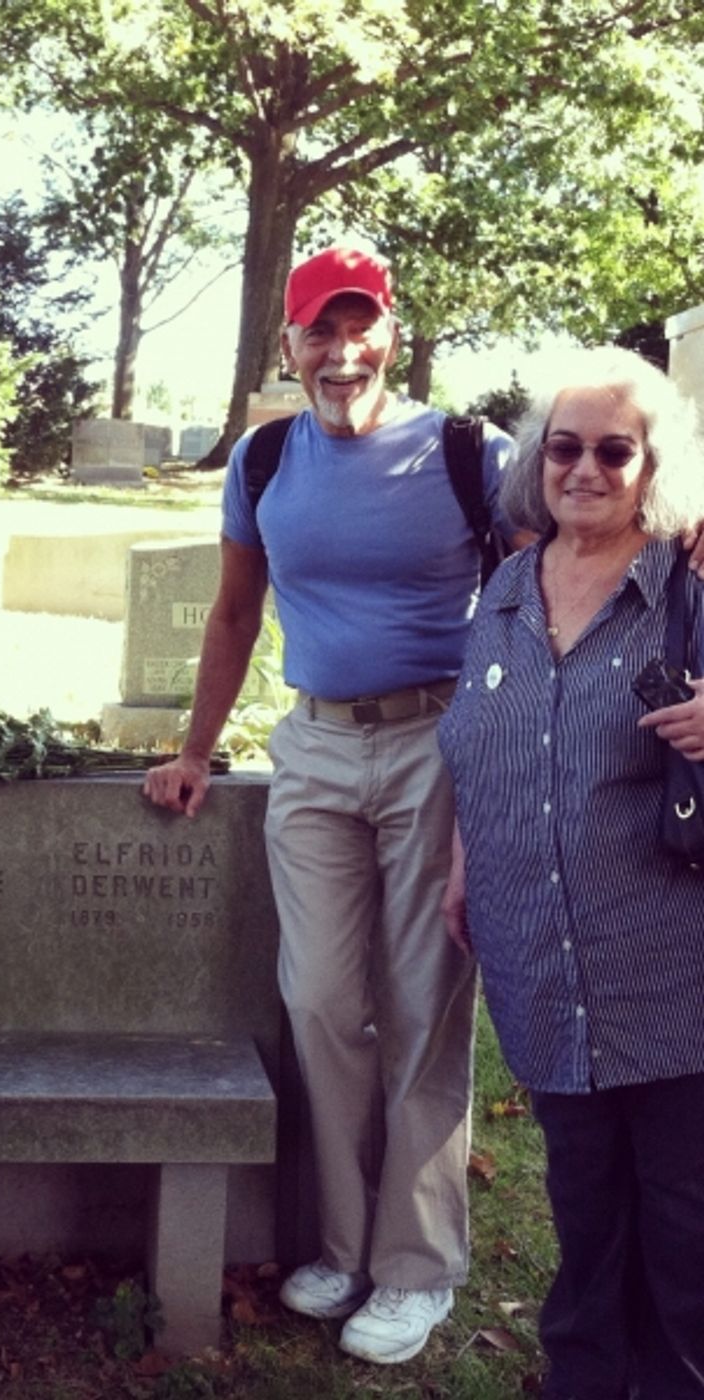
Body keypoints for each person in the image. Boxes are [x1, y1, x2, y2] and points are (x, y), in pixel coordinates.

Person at [142, 246, 525, 1364]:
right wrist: (194, 751)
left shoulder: (468, 454)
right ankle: (340, 1244)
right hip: (310, 746)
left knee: (418, 1007)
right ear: (290, 344)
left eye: (360, 328)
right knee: (315, 999)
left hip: (436, 745)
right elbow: (229, 615)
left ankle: (414, 1268)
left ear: (391, 337)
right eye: (320, 329)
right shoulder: (263, 460)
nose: (340, 350)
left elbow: (545, 580)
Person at [439, 347, 704, 1397]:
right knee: (585, 1201)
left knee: (681, 1211)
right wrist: (463, 861)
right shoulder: (505, 585)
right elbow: (476, 739)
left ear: (650, 465)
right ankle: (584, 1378)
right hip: (536, 956)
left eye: (612, 449)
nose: (583, 468)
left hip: (668, 964)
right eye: (563, 446)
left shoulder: (688, 576)